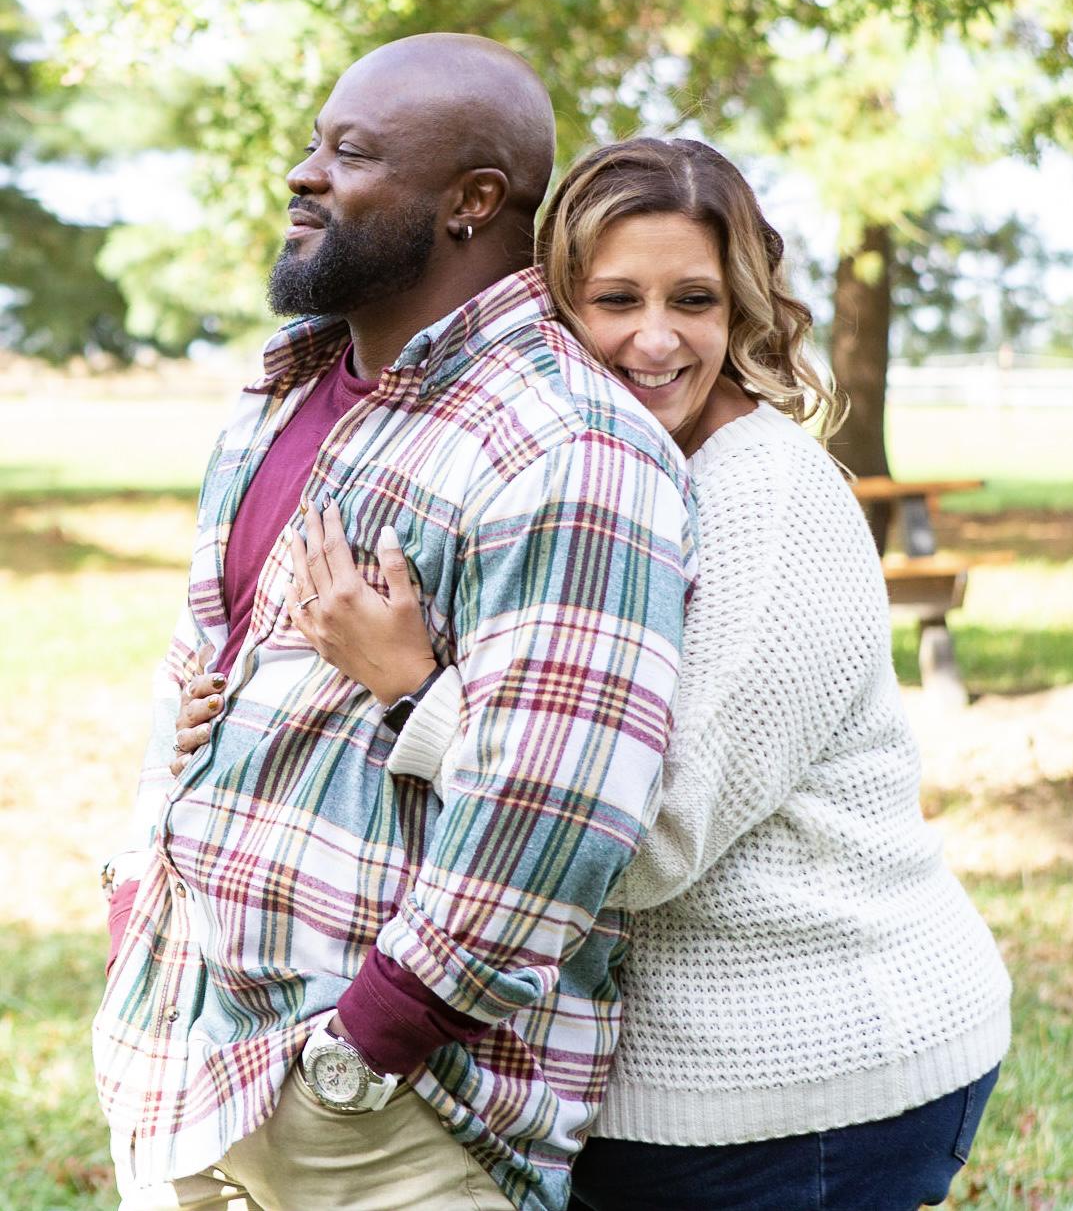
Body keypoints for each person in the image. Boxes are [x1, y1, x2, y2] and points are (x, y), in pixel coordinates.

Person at [192, 137, 1009, 1210]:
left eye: (694, 300)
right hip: (613, 1086)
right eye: (615, 298)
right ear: (551, 305)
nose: (655, 338)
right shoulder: (575, 469)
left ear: (741, 309)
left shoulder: (767, 503)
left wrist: (411, 689)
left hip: (801, 1081)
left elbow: (642, 838)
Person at [95, 43, 696, 1211]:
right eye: (314, 143)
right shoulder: (284, 391)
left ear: (472, 199)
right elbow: (196, 659)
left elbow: (554, 804)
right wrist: (135, 897)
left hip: (388, 1117)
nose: (304, 174)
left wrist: (370, 1041)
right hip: (182, 1052)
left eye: (352, 153)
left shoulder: (566, 444)